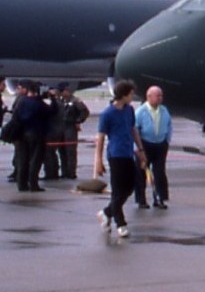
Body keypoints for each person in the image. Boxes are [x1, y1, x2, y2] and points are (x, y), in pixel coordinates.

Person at [93, 81, 142, 238]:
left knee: (130, 187)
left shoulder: (129, 110)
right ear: (124, 95)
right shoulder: (107, 114)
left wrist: (140, 149)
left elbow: (133, 129)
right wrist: (98, 162)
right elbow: (100, 139)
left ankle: (106, 212)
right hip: (115, 155)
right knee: (118, 190)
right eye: (131, 94)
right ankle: (121, 224)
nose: (133, 97)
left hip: (128, 153)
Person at [135, 85, 173, 209]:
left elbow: (169, 126)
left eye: (161, 95)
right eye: (158, 96)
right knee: (141, 173)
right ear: (149, 97)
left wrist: (166, 142)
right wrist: (137, 148)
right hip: (144, 144)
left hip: (160, 144)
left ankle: (160, 198)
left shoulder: (164, 110)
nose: (160, 98)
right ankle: (141, 200)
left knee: (159, 172)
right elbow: (134, 129)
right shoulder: (141, 111)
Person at [11, 81, 50, 192]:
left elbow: (15, 116)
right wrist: (52, 100)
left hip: (22, 134)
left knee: (23, 160)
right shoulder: (39, 104)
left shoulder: (21, 101)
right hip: (36, 134)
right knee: (35, 160)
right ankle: (33, 184)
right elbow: (51, 112)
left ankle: (21, 184)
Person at [52, 85, 90, 180]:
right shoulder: (59, 101)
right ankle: (64, 171)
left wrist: (78, 121)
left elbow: (85, 112)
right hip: (61, 127)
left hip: (70, 127)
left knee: (70, 151)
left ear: (66, 91)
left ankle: (71, 172)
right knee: (62, 151)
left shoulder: (75, 101)